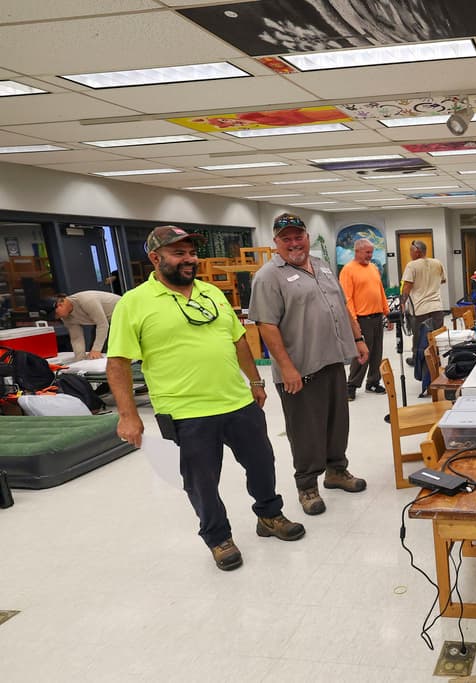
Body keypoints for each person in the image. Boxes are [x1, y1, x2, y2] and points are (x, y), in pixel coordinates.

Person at [107, 225, 305, 572]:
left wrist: (255, 381)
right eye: (179, 253)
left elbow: (239, 340)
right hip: (186, 411)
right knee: (202, 481)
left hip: (237, 402)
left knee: (262, 464)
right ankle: (218, 538)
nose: (189, 260)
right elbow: (118, 361)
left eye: (192, 253)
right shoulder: (134, 303)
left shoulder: (211, 293)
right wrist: (128, 414)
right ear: (155, 258)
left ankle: (269, 516)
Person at [249, 213, 369, 518]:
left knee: (336, 422)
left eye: (298, 236)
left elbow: (342, 305)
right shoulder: (268, 277)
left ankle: (336, 471)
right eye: (285, 238)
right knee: (305, 431)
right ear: (275, 242)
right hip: (299, 370)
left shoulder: (323, 266)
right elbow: (266, 325)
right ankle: (306, 485)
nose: (293, 243)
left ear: (307, 236)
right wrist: (287, 367)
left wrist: (358, 338)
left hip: (332, 360)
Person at [339, 238, 391, 401]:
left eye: (371, 252)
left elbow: (380, 291)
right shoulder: (348, 270)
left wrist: (387, 312)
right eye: (367, 252)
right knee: (362, 353)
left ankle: (373, 382)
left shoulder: (373, 268)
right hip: (361, 319)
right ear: (357, 251)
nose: (370, 255)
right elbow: (347, 299)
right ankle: (351, 385)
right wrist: (354, 322)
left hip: (377, 317)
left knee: (377, 353)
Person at [54, 290, 121, 360]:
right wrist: (80, 359)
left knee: (108, 351)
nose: (58, 318)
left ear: (60, 304)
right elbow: (76, 338)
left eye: (57, 315)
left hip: (124, 313)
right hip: (106, 320)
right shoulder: (65, 317)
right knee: (92, 355)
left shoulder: (86, 300)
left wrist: (96, 350)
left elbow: (102, 325)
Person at [401, 239, 446, 333]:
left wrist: (402, 304)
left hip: (420, 309)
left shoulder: (411, 266)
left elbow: (406, 287)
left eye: (411, 251)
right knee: (437, 337)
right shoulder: (437, 263)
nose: (410, 254)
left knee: (421, 340)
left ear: (417, 252)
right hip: (436, 307)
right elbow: (443, 280)